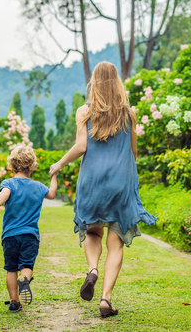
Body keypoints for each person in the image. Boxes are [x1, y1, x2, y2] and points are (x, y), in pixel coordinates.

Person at [49, 61, 157, 318]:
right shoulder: (129, 113)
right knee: (116, 241)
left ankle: (92, 269)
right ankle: (106, 300)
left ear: (94, 82)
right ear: (117, 81)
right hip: (121, 181)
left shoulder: (84, 111)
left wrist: (60, 163)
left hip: (93, 181)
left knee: (93, 231)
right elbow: (133, 152)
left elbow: (81, 146)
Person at [0, 146, 57, 312]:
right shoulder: (39, 187)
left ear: (12, 165)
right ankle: (25, 280)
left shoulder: (9, 184)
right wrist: (54, 176)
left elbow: (3, 195)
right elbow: (52, 194)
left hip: (10, 236)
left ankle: (14, 302)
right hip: (30, 236)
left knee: (11, 269)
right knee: (26, 267)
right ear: (33, 166)